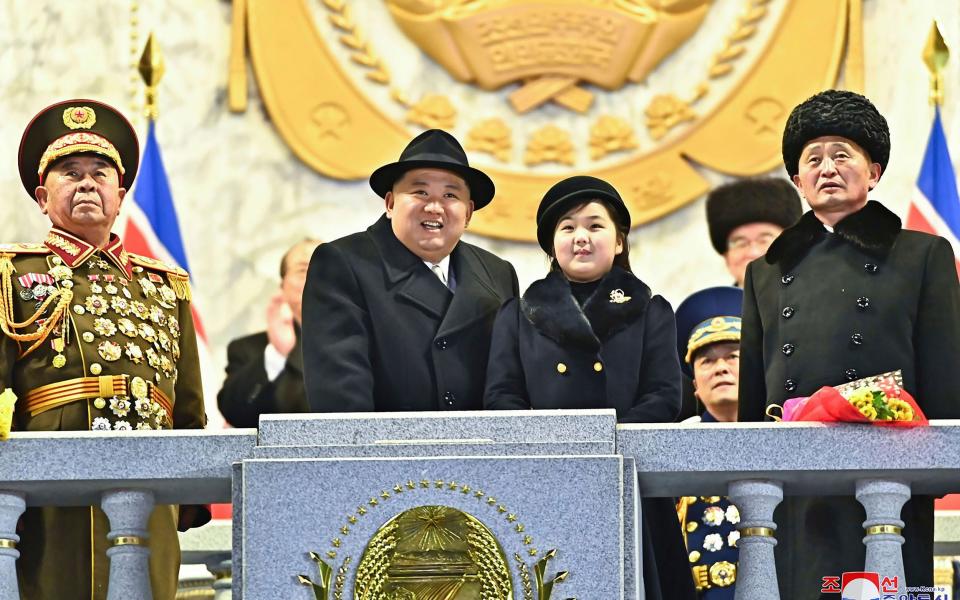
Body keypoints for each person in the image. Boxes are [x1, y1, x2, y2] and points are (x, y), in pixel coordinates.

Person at [738, 89, 960, 597]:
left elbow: (945, 366)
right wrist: (751, 465)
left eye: (843, 155)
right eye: (813, 159)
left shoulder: (921, 254)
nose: (828, 168)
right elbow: (755, 386)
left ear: (874, 172)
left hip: (889, 469)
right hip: (793, 477)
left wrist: (941, 464)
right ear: (797, 180)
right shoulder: (766, 271)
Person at [1, 100, 207, 599]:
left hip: (150, 488)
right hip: (46, 497)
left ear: (120, 193)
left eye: (100, 173)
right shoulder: (14, 274)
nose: (87, 183)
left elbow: (188, 407)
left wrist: (191, 497)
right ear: (42, 196)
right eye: (70, 173)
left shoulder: (164, 285)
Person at [483, 175, 695, 600]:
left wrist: (603, 444)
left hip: (629, 478)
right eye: (567, 227)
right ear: (552, 245)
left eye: (595, 226)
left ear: (618, 241)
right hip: (544, 479)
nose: (581, 237)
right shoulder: (519, 314)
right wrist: (555, 448)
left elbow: (664, 396)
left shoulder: (650, 310)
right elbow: (501, 397)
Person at [302, 129, 518, 412]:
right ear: (390, 203)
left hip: (481, 452)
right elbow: (341, 399)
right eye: (420, 192)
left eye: (450, 194)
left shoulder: (498, 273)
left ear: (468, 212)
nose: (434, 207)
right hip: (388, 452)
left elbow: (510, 384)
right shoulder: (344, 264)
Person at [675, 286, 744, 599]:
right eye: (706, 361)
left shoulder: (785, 434)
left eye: (732, 356)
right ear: (695, 387)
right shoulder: (676, 446)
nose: (720, 368)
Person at [217, 238, 320, 427]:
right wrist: (278, 355)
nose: (315, 277)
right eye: (303, 270)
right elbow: (234, 413)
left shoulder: (364, 344)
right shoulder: (248, 349)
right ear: (282, 286)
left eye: (324, 269)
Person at [706, 178, 803, 287]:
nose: (753, 253)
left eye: (764, 240)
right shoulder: (709, 304)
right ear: (727, 258)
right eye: (740, 244)